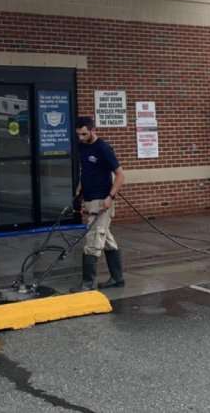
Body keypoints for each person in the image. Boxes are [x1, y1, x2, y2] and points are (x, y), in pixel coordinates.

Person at [74, 116, 126, 291]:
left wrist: (110, 197)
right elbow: (85, 172)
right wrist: (79, 194)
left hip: (103, 201)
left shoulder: (103, 148)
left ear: (92, 130)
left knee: (93, 240)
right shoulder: (82, 147)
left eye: (84, 134)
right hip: (90, 200)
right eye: (78, 134)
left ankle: (87, 284)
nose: (80, 137)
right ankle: (117, 279)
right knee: (106, 239)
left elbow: (120, 175)